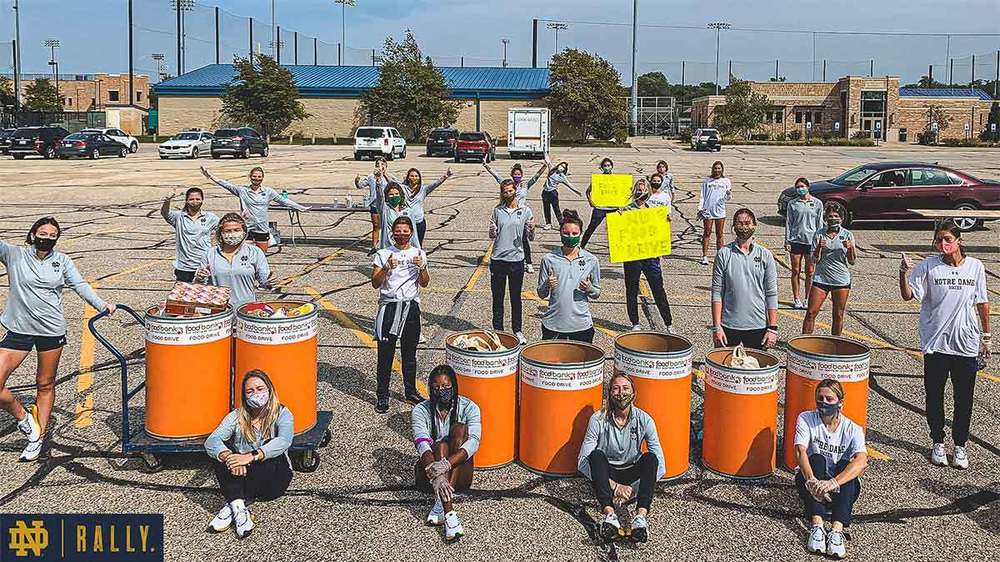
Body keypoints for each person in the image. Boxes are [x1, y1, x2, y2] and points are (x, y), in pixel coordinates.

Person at [0, 217, 116, 462]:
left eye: (53, 235)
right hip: (19, 329)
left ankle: (36, 438)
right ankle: (25, 419)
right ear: (33, 234)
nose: (47, 238)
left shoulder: (62, 261)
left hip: (51, 330)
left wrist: (101, 304)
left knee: (45, 383)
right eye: (43, 233)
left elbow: (80, 285)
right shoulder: (14, 255)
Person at [899, 220, 990, 470]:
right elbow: (908, 296)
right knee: (934, 395)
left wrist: (987, 337)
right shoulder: (929, 266)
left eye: (948, 239)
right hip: (936, 343)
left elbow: (982, 304)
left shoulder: (975, 267)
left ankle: (960, 445)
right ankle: (937, 441)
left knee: (964, 398)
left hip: (966, 343)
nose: (943, 244)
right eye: (939, 240)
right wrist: (902, 273)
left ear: (959, 240)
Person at [205, 370, 294, 539]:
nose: (256, 394)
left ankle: (234, 500)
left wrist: (250, 457)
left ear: (270, 390)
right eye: (250, 391)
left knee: (271, 448)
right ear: (244, 396)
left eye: (260, 389)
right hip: (244, 475)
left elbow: (284, 441)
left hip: (273, 482)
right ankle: (238, 506)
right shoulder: (236, 416)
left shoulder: (282, 413)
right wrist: (227, 456)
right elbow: (212, 440)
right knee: (220, 451)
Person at [578, 373, 665, 543]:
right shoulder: (597, 419)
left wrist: (632, 490)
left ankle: (640, 519)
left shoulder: (645, 419)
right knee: (595, 455)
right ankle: (610, 516)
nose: (621, 393)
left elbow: (661, 465)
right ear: (609, 393)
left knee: (651, 459)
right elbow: (582, 462)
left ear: (634, 393)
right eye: (616, 388)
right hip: (607, 473)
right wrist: (615, 487)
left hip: (632, 470)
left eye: (626, 388)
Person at [794, 379, 867, 559]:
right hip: (813, 484)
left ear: (840, 402)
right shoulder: (806, 418)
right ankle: (817, 526)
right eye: (820, 398)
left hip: (839, 489)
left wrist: (833, 483)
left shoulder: (853, 429)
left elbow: (861, 461)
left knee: (846, 466)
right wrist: (811, 481)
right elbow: (800, 450)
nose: (824, 403)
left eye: (829, 399)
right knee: (816, 459)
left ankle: (836, 531)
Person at [412, 365, 482, 542]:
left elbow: (474, 442)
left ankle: (439, 502)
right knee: (440, 446)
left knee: (460, 429)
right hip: (429, 476)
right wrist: (437, 475)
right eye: (435, 388)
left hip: (459, 476)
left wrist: (446, 465)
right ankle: (449, 513)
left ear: (454, 387)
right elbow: (422, 444)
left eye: (445, 387)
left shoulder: (469, 407)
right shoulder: (420, 410)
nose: (440, 391)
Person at [371, 217, 429, 413]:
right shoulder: (383, 253)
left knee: (409, 354)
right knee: (385, 354)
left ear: (411, 232)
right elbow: (375, 283)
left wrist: (422, 267)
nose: (402, 234)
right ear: (392, 232)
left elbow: (425, 282)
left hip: (410, 307)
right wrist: (386, 268)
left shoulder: (418, 253)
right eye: (398, 231)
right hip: (389, 307)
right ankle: (382, 395)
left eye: (405, 231)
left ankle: (410, 391)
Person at [710, 208, 778, 350]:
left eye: (747, 223)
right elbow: (717, 293)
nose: (743, 227)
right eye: (739, 223)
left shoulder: (765, 255)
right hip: (728, 325)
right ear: (734, 226)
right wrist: (717, 327)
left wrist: (772, 328)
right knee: (726, 368)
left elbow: (771, 294)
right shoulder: (724, 253)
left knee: (755, 369)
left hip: (758, 325)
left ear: (754, 225)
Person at [201, 166, 309, 253]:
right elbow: (225, 184)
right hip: (247, 227)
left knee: (262, 255)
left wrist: (300, 207)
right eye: (254, 176)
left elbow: (283, 201)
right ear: (250, 177)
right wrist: (210, 176)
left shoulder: (268, 192)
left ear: (262, 178)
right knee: (244, 253)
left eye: (259, 177)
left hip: (262, 227)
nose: (256, 178)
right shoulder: (242, 191)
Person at [537, 210, 602, 343]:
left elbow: (596, 293)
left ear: (580, 233)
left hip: (581, 326)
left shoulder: (591, 260)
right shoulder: (549, 259)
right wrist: (547, 285)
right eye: (566, 233)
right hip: (553, 324)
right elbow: (541, 294)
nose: (570, 236)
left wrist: (589, 288)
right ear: (560, 233)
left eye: (574, 233)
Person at [620, 179, 673, 333]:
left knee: (658, 290)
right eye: (638, 190)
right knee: (632, 288)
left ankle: (668, 322)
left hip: (650, 257)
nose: (641, 193)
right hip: (632, 257)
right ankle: (635, 322)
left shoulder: (653, 210)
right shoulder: (626, 210)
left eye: (643, 191)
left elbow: (660, 233)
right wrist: (619, 216)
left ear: (648, 193)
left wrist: (666, 222)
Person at [489, 179, 535, 345]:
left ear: (515, 190)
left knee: (515, 297)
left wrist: (532, 230)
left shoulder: (526, 211)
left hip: (516, 260)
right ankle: (498, 331)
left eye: (510, 191)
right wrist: (492, 231)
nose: (508, 194)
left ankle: (518, 330)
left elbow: (530, 237)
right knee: (498, 298)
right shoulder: (497, 211)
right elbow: (492, 236)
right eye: (505, 192)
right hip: (498, 259)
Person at [195, 213, 272, 310]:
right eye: (228, 231)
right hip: (218, 310)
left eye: (236, 230)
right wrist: (200, 277)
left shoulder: (254, 252)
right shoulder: (210, 254)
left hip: (245, 309)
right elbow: (199, 285)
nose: (232, 234)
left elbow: (264, 280)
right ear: (221, 233)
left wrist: (270, 283)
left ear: (244, 232)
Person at [803, 206, 856, 336]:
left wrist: (850, 248)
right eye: (830, 216)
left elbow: (852, 261)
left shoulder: (847, 235)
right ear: (825, 218)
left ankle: (836, 344)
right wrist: (819, 248)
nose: (833, 219)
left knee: (838, 315)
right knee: (811, 312)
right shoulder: (819, 234)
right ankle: (803, 341)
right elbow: (814, 260)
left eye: (836, 216)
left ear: (842, 218)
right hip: (821, 278)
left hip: (841, 280)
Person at [486, 161, 547, 273]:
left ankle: (528, 263)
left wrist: (544, 166)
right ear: (512, 175)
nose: (517, 176)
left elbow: (536, 177)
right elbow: (496, 176)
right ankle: (506, 259)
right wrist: (486, 166)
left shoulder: (525, 185)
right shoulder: (507, 184)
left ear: (522, 175)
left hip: (522, 214)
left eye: (519, 174)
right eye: (515, 174)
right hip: (509, 213)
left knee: (524, 240)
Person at [161, 187, 220, 282]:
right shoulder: (179, 216)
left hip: (204, 265)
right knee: (182, 295)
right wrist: (168, 200)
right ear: (186, 200)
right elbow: (165, 213)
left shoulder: (210, 217)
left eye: (197, 199)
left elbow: (223, 228)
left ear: (202, 200)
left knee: (202, 294)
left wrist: (214, 243)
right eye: (191, 199)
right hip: (184, 267)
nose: (194, 201)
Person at [784, 178, 824, 309]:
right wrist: (787, 240)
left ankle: (808, 298)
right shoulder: (793, 204)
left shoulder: (817, 203)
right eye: (797, 187)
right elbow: (789, 223)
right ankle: (796, 298)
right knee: (795, 270)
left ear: (807, 187)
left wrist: (820, 241)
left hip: (811, 241)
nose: (800, 189)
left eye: (802, 186)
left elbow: (820, 223)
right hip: (796, 240)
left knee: (810, 271)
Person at [402, 167, 453, 246]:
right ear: (408, 177)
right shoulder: (403, 189)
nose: (414, 178)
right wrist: (383, 174)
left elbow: (435, 185)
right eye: (412, 176)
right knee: (404, 244)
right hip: (406, 222)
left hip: (419, 222)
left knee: (418, 245)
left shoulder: (423, 189)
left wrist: (446, 176)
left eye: (416, 176)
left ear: (419, 178)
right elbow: (393, 183)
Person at [355, 157, 395, 255]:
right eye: (377, 165)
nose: (380, 167)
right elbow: (360, 185)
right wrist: (357, 181)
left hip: (387, 205)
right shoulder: (371, 177)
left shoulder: (389, 177)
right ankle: (374, 246)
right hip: (375, 204)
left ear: (386, 166)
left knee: (389, 225)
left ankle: (390, 245)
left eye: (382, 165)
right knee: (376, 226)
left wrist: (385, 175)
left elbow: (395, 185)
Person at [698, 161, 732, 265]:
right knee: (707, 232)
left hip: (720, 211)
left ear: (722, 170)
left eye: (719, 168)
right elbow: (702, 195)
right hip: (708, 210)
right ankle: (704, 256)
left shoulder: (726, 181)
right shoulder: (707, 181)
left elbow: (728, 198)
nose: (717, 170)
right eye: (716, 168)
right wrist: (700, 208)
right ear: (713, 169)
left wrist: (728, 194)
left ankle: (720, 256)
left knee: (720, 234)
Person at [580, 157, 616, 249]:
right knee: (591, 227)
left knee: (614, 230)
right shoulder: (598, 179)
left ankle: (616, 248)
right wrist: (590, 201)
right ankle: (581, 246)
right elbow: (587, 191)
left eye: (608, 165)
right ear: (602, 167)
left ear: (612, 166)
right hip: (600, 208)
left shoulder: (617, 179)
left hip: (613, 209)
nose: (607, 167)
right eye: (605, 166)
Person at [379, 182, 420, 250]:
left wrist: (417, 249)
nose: (394, 196)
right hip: (389, 246)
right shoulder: (385, 210)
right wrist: (378, 182)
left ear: (400, 195)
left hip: (405, 246)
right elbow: (379, 198)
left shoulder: (408, 211)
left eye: (396, 194)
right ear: (387, 196)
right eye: (391, 194)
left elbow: (414, 232)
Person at [541, 162, 580, 230]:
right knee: (546, 208)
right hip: (545, 192)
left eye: (563, 167)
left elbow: (569, 185)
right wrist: (545, 152)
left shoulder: (562, 176)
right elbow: (548, 161)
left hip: (553, 193)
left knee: (556, 209)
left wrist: (577, 191)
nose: (561, 167)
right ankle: (548, 223)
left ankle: (561, 224)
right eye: (561, 165)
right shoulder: (552, 170)